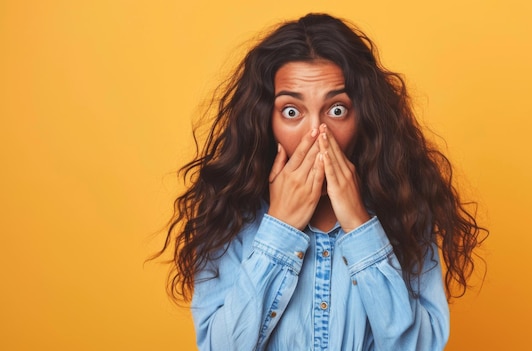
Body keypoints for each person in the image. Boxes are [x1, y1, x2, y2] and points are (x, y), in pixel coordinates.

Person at [157, 13, 486, 350]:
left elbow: (419, 346)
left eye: (337, 110)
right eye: (291, 111)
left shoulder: (406, 209)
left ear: (365, 116)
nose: (315, 133)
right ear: (264, 119)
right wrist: (280, 229)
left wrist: (359, 226)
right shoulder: (230, 217)